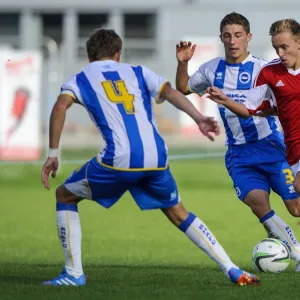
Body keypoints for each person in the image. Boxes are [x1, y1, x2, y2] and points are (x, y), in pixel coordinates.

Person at [40, 28, 259, 287]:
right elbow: (171, 93)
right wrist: (199, 118)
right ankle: (232, 269)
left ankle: (74, 274)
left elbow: (60, 106)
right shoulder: (138, 71)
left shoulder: (80, 79)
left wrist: (53, 153)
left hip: (118, 159)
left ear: (90, 57)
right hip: (156, 157)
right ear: (118, 54)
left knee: (65, 195)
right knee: (179, 213)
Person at [175, 12, 300, 269]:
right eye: (227, 36)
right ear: (221, 38)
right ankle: (296, 253)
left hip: (271, 147)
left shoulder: (263, 70)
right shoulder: (212, 69)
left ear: (248, 37)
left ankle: (283, 241)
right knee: (257, 202)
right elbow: (184, 88)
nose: (232, 41)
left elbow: (277, 104)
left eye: (238, 35)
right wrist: (182, 63)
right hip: (239, 154)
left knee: (296, 207)